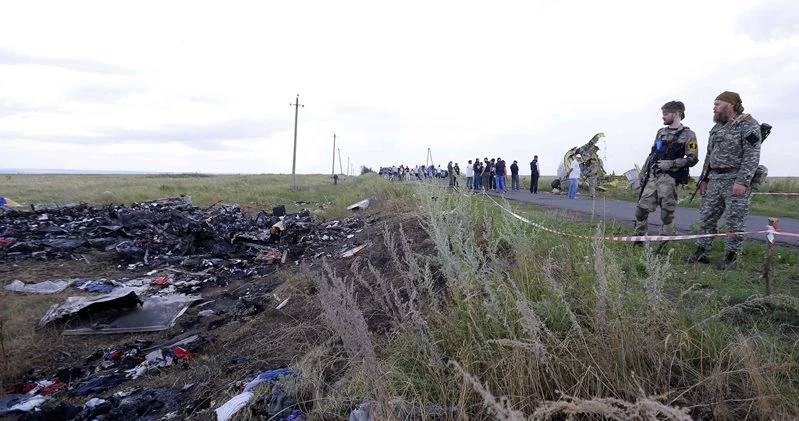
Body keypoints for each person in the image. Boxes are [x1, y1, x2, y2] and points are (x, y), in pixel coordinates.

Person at [689, 91, 762, 269]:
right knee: (707, 217)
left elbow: (752, 155)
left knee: (735, 219)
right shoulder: (717, 128)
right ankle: (701, 251)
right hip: (714, 178)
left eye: (717, 104)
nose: (714, 108)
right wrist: (703, 180)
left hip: (734, 179)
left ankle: (731, 257)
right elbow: (709, 155)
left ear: (731, 105)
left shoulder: (748, 124)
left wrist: (743, 181)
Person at [635, 101, 699, 243]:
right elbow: (653, 153)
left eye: (666, 114)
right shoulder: (661, 132)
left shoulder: (689, 135)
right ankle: (639, 235)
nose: (663, 117)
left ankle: (665, 237)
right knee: (641, 209)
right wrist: (643, 171)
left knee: (666, 213)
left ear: (676, 114)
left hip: (670, 178)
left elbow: (693, 158)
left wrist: (671, 164)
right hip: (653, 176)